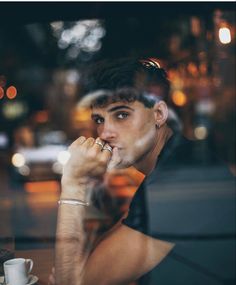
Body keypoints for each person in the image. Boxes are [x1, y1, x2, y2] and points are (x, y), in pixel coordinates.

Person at [52, 58, 235, 285]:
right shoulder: (173, 163)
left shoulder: (177, 182)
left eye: (121, 115)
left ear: (158, 114)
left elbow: (72, 282)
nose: (105, 133)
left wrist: (73, 184)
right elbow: (88, 263)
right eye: (100, 119)